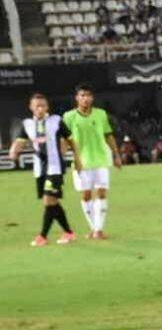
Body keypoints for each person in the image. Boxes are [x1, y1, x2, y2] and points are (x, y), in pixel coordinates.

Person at [10, 93, 77, 246]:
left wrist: (76, 159)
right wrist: (14, 151)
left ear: (47, 107)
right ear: (31, 107)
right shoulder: (27, 124)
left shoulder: (56, 120)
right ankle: (68, 233)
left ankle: (43, 236)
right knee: (52, 202)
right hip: (40, 169)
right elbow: (20, 142)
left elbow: (70, 140)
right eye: (37, 106)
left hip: (55, 167)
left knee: (48, 199)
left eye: (43, 106)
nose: (40, 109)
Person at [60, 84, 120, 240]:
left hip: (101, 159)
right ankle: (94, 228)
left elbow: (108, 135)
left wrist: (116, 154)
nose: (85, 98)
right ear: (77, 98)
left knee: (101, 193)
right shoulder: (68, 116)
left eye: (88, 95)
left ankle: (98, 230)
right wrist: (61, 157)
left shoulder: (101, 114)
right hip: (81, 162)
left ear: (92, 98)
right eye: (82, 95)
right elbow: (65, 139)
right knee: (86, 195)